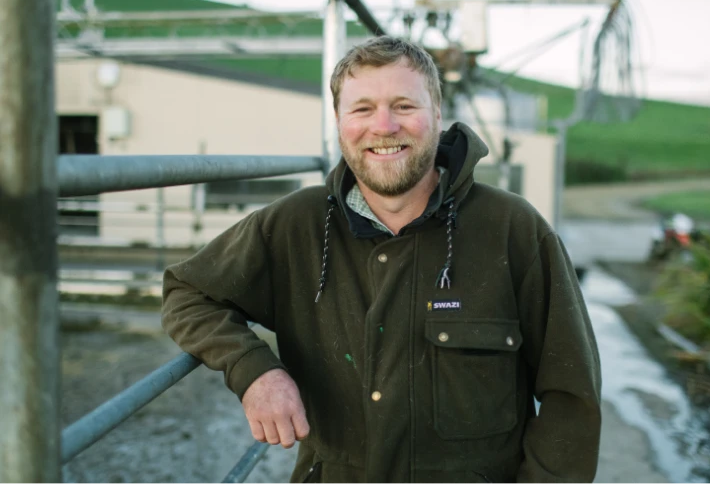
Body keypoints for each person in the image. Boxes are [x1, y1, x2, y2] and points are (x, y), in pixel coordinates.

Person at [162, 35, 601, 484]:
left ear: (438, 113)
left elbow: (572, 398)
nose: (384, 126)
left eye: (404, 106)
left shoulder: (514, 230)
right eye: (362, 109)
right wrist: (254, 371)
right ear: (339, 121)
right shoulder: (295, 225)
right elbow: (186, 292)